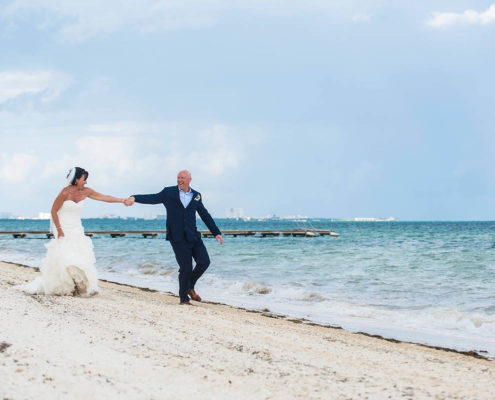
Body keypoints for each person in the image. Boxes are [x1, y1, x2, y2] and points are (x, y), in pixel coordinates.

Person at [15, 167, 130, 297]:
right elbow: (53, 211)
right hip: (63, 228)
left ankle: (86, 287)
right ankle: (71, 286)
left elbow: (104, 197)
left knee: (81, 256)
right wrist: (59, 230)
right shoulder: (65, 193)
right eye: (84, 179)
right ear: (76, 179)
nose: (86, 182)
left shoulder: (86, 191)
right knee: (66, 257)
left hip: (77, 228)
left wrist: (122, 200)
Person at [125, 170, 223, 305]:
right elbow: (153, 198)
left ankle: (190, 286)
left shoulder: (196, 196)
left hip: (193, 236)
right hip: (177, 237)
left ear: (190, 179)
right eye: (178, 178)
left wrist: (216, 232)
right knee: (186, 268)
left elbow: (204, 214)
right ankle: (184, 298)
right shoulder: (168, 192)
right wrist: (134, 197)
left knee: (204, 262)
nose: (180, 180)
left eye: (182, 178)